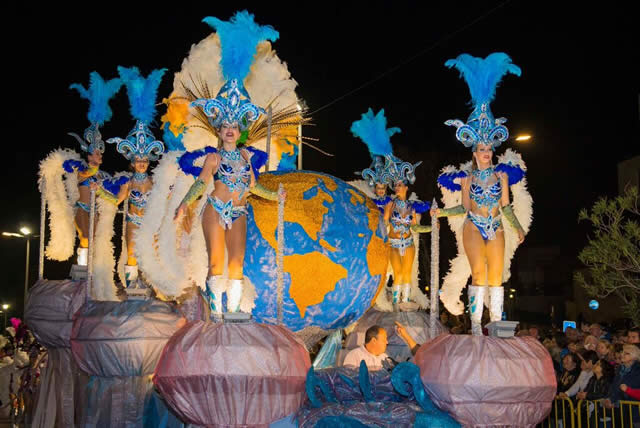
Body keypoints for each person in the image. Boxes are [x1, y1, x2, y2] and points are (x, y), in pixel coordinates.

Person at [174, 12, 283, 315]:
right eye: (226, 126)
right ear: (219, 129)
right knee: (216, 262)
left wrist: (277, 197)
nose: (231, 129)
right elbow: (200, 184)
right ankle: (217, 315)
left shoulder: (248, 157)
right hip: (215, 209)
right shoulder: (214, 157)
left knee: (237, 266)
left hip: (239, 211)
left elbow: (256, 188)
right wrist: (184, 203)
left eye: (235, 125)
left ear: (240, 129)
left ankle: (232, 314)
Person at [434, 53, 529, 335]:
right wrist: (441, 212)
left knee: (496, 278)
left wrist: (518, 227)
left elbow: (506, 207)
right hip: (474, 225)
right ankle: (476, 327)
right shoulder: (467, 178)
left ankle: (497, 326)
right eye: (482, 150)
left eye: (489, 149)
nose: (487, 153)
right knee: (478, 273)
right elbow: (463, 209)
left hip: (496, 225)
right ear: (474, 152)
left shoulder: (501, 175)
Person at [351, 109, 430, 306]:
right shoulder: (387, 203)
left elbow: (416, 227)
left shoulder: (412, 205)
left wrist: (430, 226)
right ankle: (393, 302)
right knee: (391, 272)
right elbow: (382, 220)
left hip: (408, 242)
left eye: (400, 185)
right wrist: (385, 216)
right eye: (395, 185)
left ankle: (403, 302)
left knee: (405, 272)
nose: (397, 187)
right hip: (389, 241)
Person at [104, 66, 166, 288]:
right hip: (132, 220)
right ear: (132, 162)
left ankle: (149, 287)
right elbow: (119, 200)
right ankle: (131, 288)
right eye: (138, 160)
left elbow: (162, 201)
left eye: (145, 160)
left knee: (149, 253)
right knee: (131, 251)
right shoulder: (128, 181)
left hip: (150, 222)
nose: (141, 163)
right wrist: (102, 196)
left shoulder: (154, 181)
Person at [64, 72, 122, 265]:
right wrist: (96, 173)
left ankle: (92, 271)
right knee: (86, 238)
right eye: (97, 153)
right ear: (88, 156)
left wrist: (115, 187)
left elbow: (111, 196)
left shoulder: (102, 175)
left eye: (101, 153)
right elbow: (87, 174)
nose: (100, 156)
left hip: (94, 210)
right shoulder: (81, 170)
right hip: (81, 208)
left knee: (96, 240)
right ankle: (82, 271)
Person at [604, 344, 640, 416]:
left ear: (634, 357)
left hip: (633, 409)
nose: (622, 355)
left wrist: (613, 400)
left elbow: (627, 388)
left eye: (627, 353)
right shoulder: (620, 369)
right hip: (620, 410)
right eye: (623, 352)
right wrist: (608, 398)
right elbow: (614, 386)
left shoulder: (638, 370)